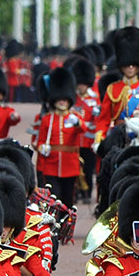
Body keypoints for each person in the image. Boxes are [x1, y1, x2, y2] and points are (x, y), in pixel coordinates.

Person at [94, 28, 139, 143]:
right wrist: (99, 138)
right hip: (118, 135)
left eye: (134, 65)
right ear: (121, 65)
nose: (130, 68)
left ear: (138, 65)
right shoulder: (112, 89)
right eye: (127, 65)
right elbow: (104, 119)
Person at [33, 67, 83, 209]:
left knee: (68, 200)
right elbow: (40, 141)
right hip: (51, 165)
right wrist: (42, 147)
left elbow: (83, 129)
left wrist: (77, 123)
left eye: (65, 99)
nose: (62, 102)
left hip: (70, 165)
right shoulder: (47, 119)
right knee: (54, 198)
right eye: (59, 99)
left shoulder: (75, 117)